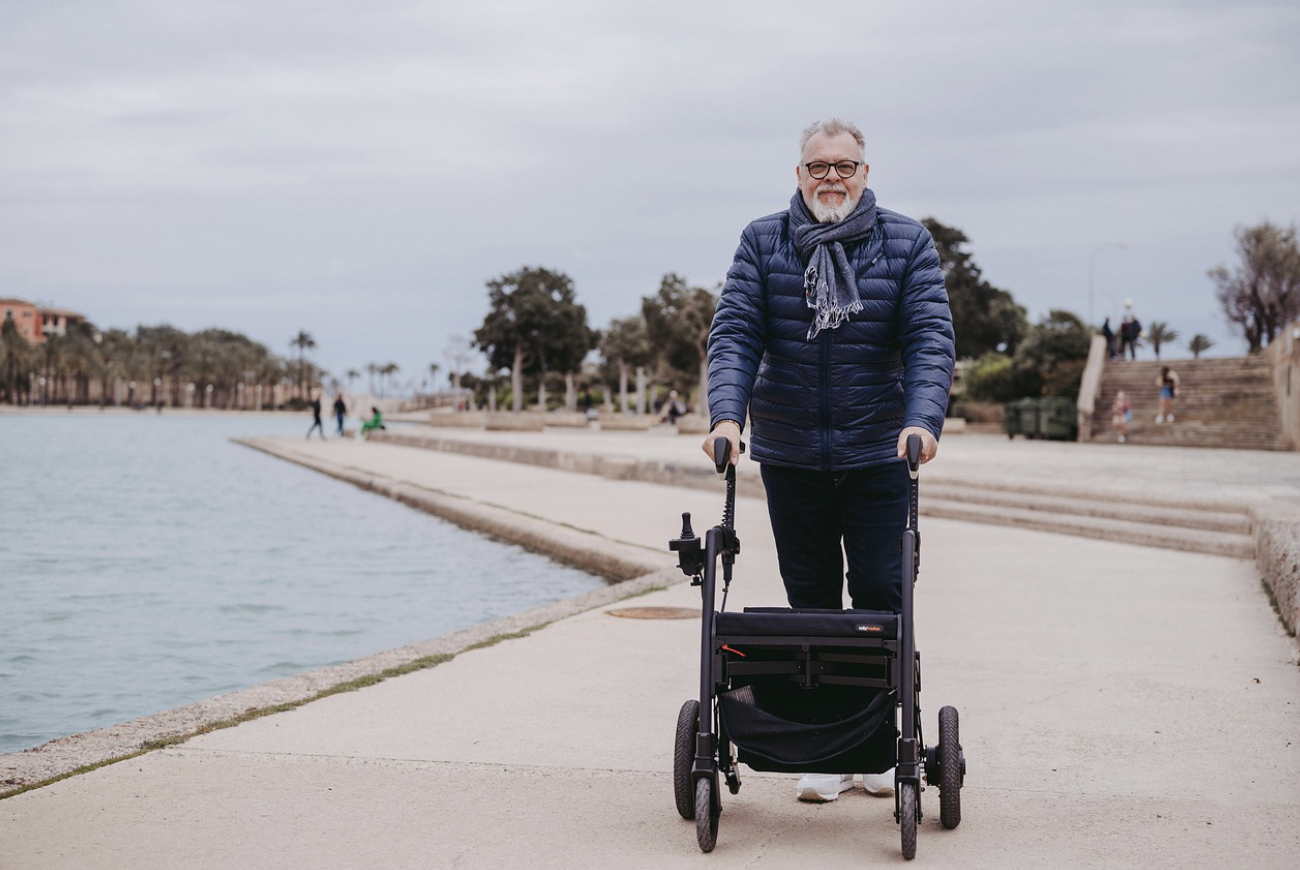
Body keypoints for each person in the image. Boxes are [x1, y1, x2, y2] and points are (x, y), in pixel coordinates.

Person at [702, 118, 955, 804]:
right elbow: (735, 333)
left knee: (880, 598)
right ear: (799, 174)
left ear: (865, 174)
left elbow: (931, 337)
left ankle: (877, 746)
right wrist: (727, 415)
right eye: (819, 167)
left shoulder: (906, 241)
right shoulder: (763, 240)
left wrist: (921, 422)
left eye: (845, 166)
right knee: (810, 603)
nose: (832, 178)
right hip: (790, 454)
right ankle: (823, 748)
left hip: (879, 452)